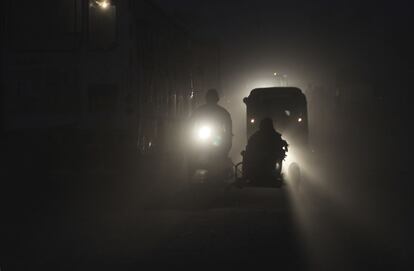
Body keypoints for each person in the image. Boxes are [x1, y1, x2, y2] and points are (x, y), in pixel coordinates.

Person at [242, 117, 288, 183]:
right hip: (259, 164)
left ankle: (246, 174)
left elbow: (249, 148)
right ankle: (247, 174)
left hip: (268, 164)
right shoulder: (274, 136)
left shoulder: (255, 136)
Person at [190, 88, 233, 155]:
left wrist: (227, 142)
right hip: (202, 138)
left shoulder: (223, 112)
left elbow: (229, 128)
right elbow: (191, 123)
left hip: (218, 138)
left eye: (213, 98)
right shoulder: (199, 111)